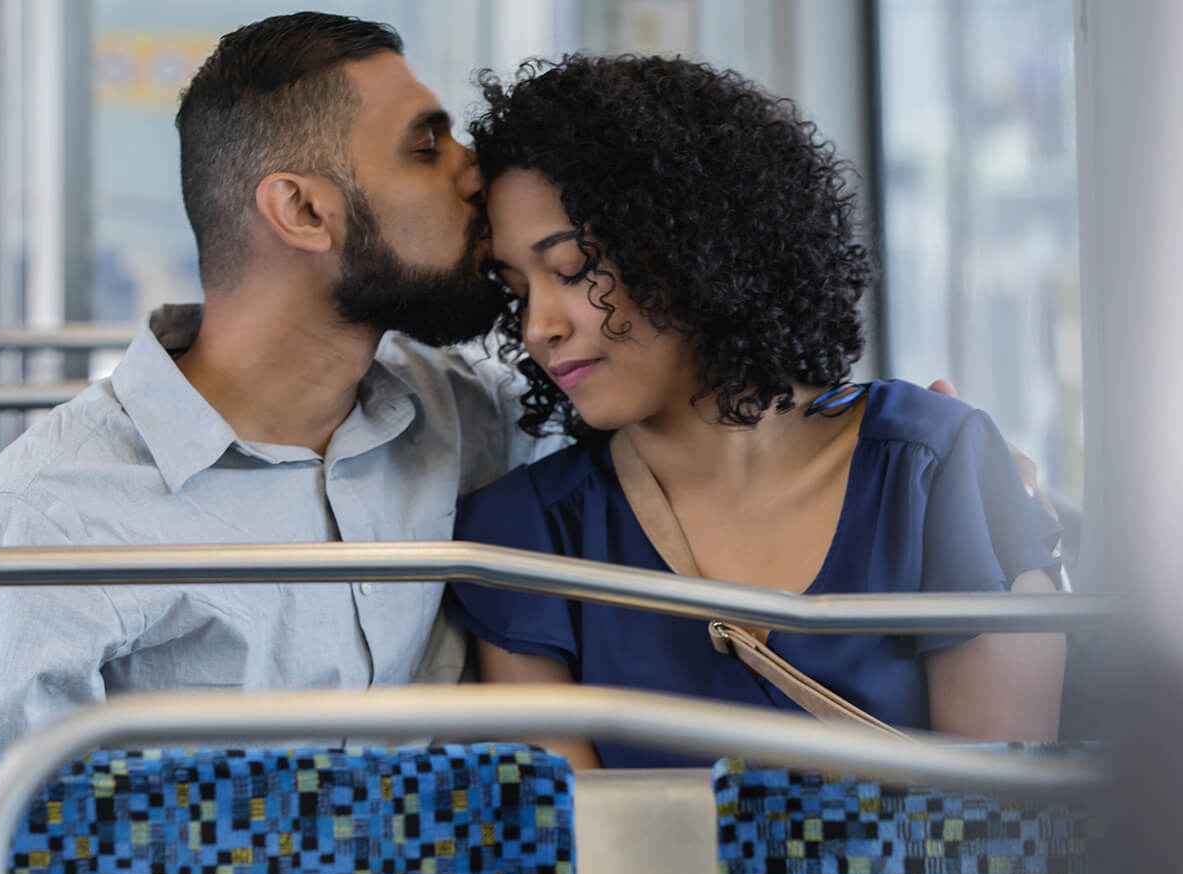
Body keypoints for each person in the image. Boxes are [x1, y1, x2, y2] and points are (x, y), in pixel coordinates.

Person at [0, 13, 1041, 752]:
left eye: (567, 267)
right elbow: (2, 839)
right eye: (425, 146)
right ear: (302, 211)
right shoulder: (55, 519)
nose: (469, 168)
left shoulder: (472, 420)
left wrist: (948, 459)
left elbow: (707, 403)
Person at [445, 55, 1067, 769]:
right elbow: (587, 853)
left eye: (573, 269)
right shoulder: (526, 535)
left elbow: (1002, 841)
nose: (538, 328)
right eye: (518, 289)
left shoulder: (933, 467)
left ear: (689, 242)